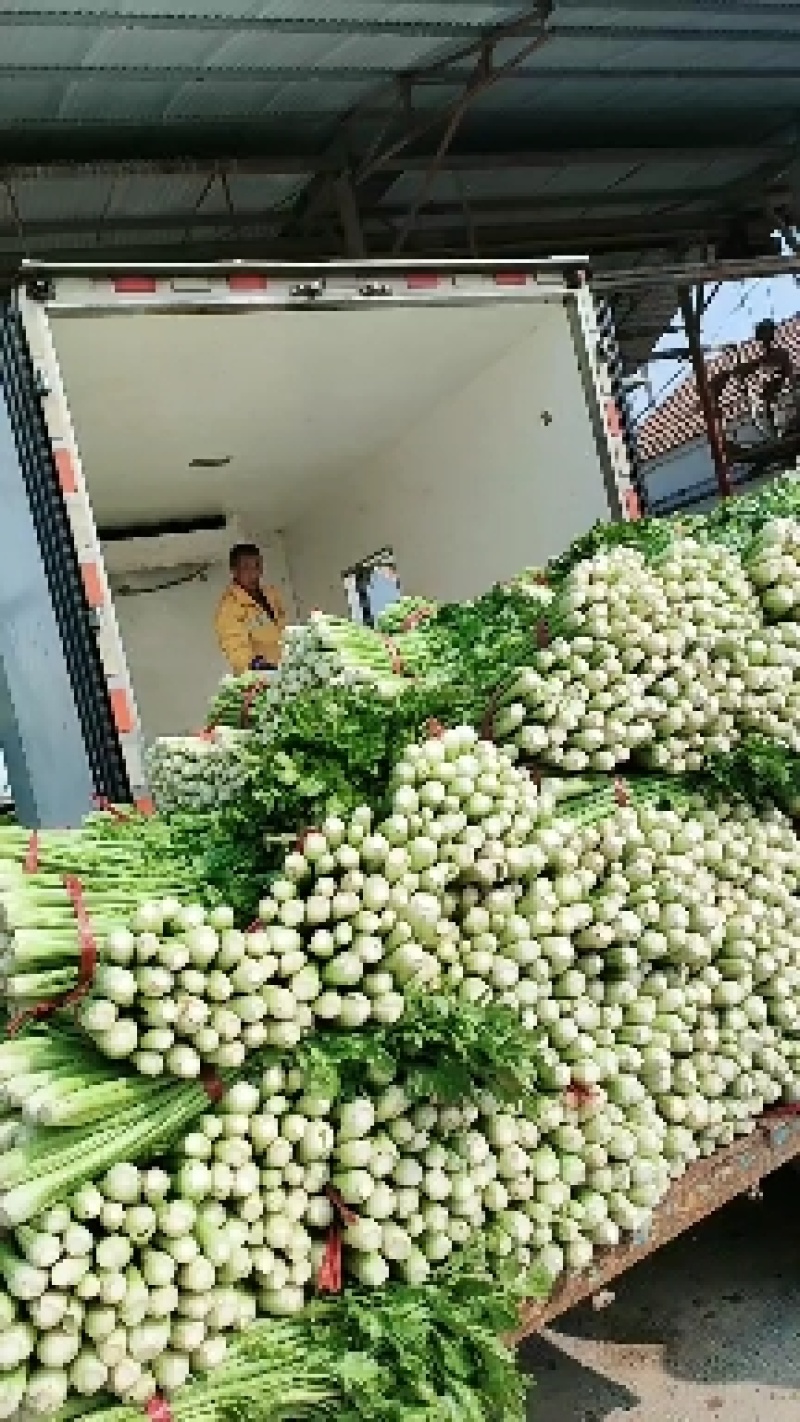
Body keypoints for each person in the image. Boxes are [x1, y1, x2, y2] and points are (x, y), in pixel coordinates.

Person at [214, 543, 287, 675]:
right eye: (246, 567)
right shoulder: (229, 608)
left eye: (257, 566)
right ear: (234, 571)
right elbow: (234, 647)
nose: (254, 574)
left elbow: (281, 627)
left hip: (284, 668)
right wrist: (256, 665)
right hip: (257, 677)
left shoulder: (271, 593)